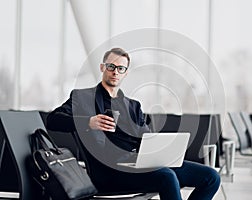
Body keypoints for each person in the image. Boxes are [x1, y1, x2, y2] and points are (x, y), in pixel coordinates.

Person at [47, 47, 220, 200]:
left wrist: (156, 146)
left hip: (138, 162)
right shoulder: (82, 97)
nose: (115, 72)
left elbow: (145, 137)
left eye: (120, 68)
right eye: (111, 67)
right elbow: (53, 120)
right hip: (108, 171)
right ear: (102, 67)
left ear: (126, 72)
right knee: (167, 176)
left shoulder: (133, 105)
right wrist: (89, 122)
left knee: (211, 177)